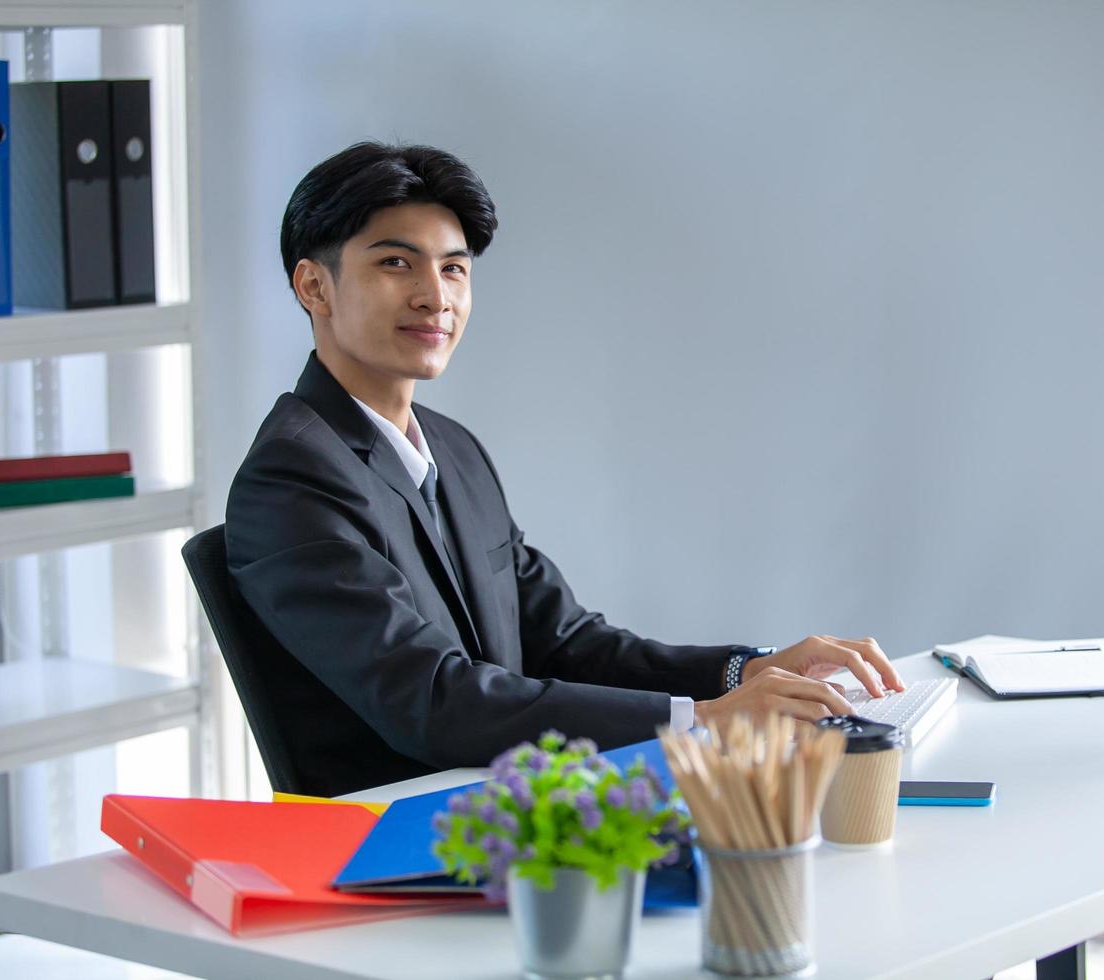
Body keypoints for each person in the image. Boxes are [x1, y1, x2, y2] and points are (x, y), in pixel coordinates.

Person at [226, 141, 903, 781]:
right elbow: (430, 699)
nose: (437, 296)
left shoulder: (453, 449)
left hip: (524, 801)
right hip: (405, 838)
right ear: (314, 287)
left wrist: (742, 675)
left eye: (454, 267)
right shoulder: (290, 478)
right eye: (397, 263)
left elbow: (566, 640)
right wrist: (702, 722)